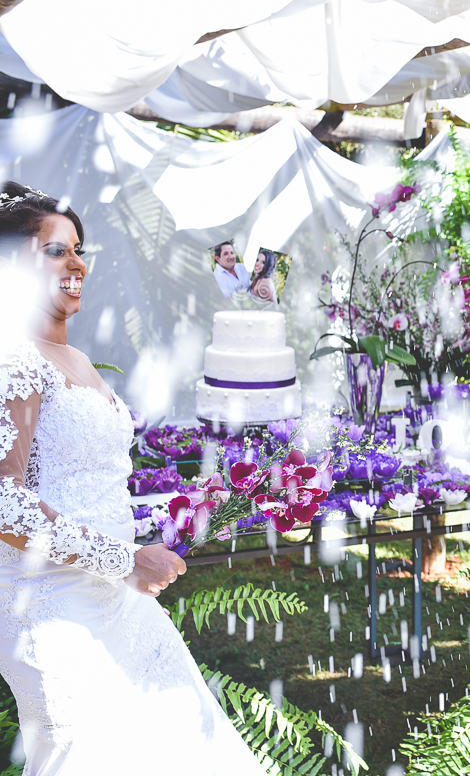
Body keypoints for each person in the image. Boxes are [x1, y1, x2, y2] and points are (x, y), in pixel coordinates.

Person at [0, 182, 267, 774]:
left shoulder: (73, 358)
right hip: (53, 609)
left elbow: (85, 484)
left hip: (121, 604)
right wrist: (125, 559)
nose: (76, 265)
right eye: (56, 251)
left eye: (79, 251)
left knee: (185, 744)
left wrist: (181, 515)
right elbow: (3, 504)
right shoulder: (11, 356)